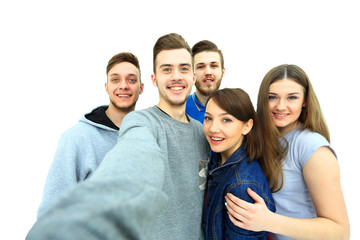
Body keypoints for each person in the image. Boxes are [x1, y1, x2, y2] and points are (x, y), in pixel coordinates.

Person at [26, 33, 210, 240]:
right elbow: (134, 159)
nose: (176, 76)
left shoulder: (202, 132)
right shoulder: (140, 122)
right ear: (154, 79)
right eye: (167, 69)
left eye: (184, 68)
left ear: (193, 76)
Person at [224, 64, 350, 240]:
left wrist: (268, 221)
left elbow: (340, 231)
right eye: (272, 97)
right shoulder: (261, 138)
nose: (281, 106)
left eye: (292, 97)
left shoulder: (311, 146)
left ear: (305, 101)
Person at [36, 52, 144, 218]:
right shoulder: (77, 139)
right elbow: (52, 211)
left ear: (141, 88)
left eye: (131, 79)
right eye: (115, 79)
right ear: (107, 87)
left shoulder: (148, 137)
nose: (123, 85)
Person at [202, 88, 275, 240]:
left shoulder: (241, 186)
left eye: (226, 120)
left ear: (247, 126)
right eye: (208, 118)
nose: (213, 128)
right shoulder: (218, 158)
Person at [186, 40, 225, 123]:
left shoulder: (236, 108)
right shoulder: (180, 110)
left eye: (213, 66)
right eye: (201, 67)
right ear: (191, 73)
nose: (208, 72)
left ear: (223, 72)